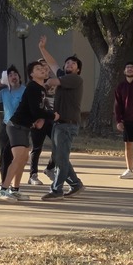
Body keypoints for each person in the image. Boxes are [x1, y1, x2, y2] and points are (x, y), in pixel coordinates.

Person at [0, 61, 58, 201]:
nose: (42, 70)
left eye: (43, 68)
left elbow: (37, 110)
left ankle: (15, 190)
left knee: (23, 158)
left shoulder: (41, 89)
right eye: (38, 68)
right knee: (18, 158)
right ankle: (3, 189)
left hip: (25, 127)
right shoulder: (32, 87)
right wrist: (52, 115)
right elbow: (35, 110)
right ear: (31, 74)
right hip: (15, 125)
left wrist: (41, 119)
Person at [38, 35, 84, 201]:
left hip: (67, 125)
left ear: (78, 69)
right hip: (59, 124)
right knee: (60, 157)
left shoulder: (74, 79)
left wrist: (42, 82)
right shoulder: (64, 76)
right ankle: (76, 184)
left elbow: (52, 80)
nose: (69, 64)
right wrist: (42, 49)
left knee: (61, 158)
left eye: (73, 64)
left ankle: (57, 190)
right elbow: (53, 64)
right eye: (67, 63)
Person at [0, 65, 25, 191]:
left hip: (20, 127)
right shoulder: (4, 92)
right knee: (3, 155)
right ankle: (4, 185)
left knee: (18, 157)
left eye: (15, 74)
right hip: (6, 126)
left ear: (19, 77)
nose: (13, 76)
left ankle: (15, 187)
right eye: (10, 75)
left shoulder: (25, 90)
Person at [27, 59, 57, 185]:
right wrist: (34, 120)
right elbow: (31, 105)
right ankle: (33, 175)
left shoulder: (54, 83)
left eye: (47, 68)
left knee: (59, 145)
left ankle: (50, 168)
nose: (45, 70)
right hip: (38, 120)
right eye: (42, 68)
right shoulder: (34, 85)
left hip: (51, 119)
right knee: (37, 147)